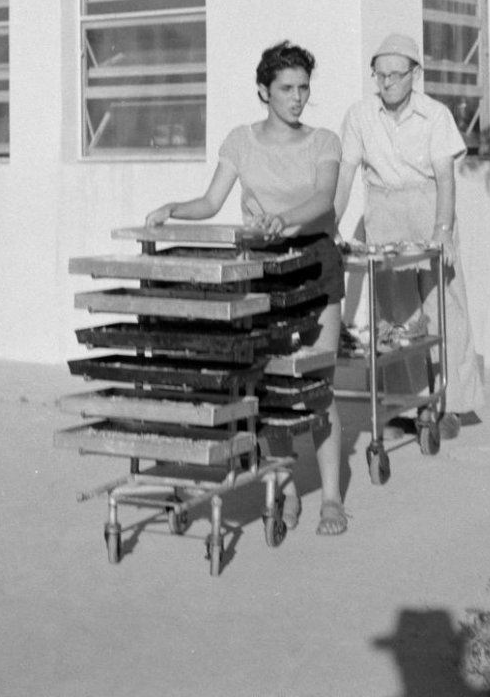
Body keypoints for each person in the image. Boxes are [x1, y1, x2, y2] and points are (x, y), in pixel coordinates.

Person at [144, 40, 348, 537]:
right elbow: (212, 201)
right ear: (264, 91)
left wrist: (284, 218)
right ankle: (287, 489)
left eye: (303, 88)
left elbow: (324, 200)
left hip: (315, 265)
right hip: (264, 267)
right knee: (270, 385)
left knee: (317, 385)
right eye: (287, 89)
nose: (297, 98)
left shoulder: (324, 141)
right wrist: (173, 208)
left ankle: (332, 499)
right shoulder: (241, 141)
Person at [334, 32, 484, 436]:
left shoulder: (435, 115)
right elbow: (345, 174)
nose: (387, 83)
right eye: (380, 75)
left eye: (395, 75)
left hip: (429, 207)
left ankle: (451, 404)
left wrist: (443, 231)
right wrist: (330, 224)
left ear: (414, 75)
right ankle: (406, 405)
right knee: (397, 315)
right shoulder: (359, 115)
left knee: (443, 307)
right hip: (383, 211)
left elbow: (445, 178)